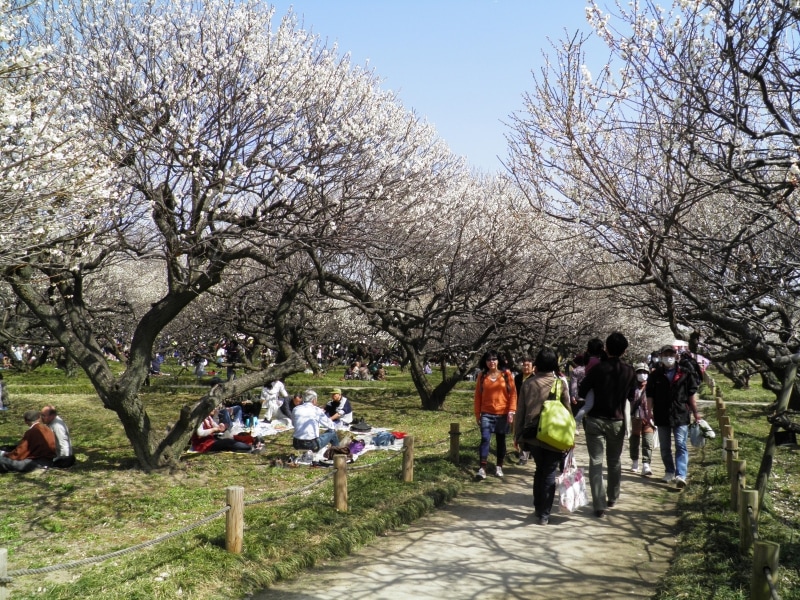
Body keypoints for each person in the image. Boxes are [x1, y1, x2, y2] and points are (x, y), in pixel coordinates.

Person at [578, 332, 637, 517]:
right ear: (625, 351)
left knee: (595, 462)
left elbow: (582, 390)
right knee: (614, 460)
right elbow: (631, 397)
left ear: (606, 348)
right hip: (617, 421)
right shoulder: (629, 371)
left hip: (595, 420)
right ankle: (613, 496)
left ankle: (599, 504)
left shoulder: (598, 369)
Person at [513, 347, 571, 525]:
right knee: (549, 473)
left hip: (532, 436)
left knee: (539, 470)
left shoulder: (528, 384)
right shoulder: (560, 384)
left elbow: (520, 411)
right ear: (554, 363)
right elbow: (568, 412)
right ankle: (545, 513)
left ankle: (538, 507)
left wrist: (517, 436)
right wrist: (571, 439)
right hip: (554, 435)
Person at [646, 345, 702, 488]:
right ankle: (669, 471)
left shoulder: (685, 373)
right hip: (661, 413)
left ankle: (681, 474)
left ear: (676, 355)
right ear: (661, 356)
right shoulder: (655, 375)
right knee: (665, 446)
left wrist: (696, 412)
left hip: (680, 413)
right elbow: (650, 395)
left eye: (671, 354)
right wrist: (648, 411)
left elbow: (691, 394)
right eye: (665, 354)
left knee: (680, 444)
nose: (668, 357)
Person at [474, 350, 517, 479]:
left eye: (494, 359)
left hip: (502, 413)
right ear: (485, 362)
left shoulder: (506, 374)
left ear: (498, 360)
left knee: (500, 440)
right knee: (485, 439)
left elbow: (513, 394)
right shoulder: (482, 376)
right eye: (488, 360)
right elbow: (477, 396)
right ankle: (482, 468)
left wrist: (511, 410)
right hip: (486, 413)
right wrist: (477, 414)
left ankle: (499, 466)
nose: (491, 362)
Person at [190, 407, 259, 453]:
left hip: (211, 441)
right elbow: (200, 433)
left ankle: (251, 444)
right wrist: (214, 429)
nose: (215, 409)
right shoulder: (199, 420)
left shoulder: (208, 418)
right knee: (228, 442)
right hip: (203, 446)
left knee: (231, 439)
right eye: (213, 408)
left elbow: (215, 427)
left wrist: (220, 427)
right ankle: (251, 448)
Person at [629, 363, 654, 476]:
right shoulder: (631, 387)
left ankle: (646, 464)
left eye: (644, 373)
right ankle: (635, 461)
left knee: (648, 442)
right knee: (634, 441)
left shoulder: (652, 387)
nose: (642, 375)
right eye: (639, 372)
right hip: (635, 418)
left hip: (649, 419)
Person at [513, 356, 535, 465]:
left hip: (531, 409)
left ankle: (528, 452)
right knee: (519, 431)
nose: (526, 367)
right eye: (524, 365)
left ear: (533, 367)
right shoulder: (517, 378)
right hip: (519, 407)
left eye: (528, 365)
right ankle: (523, 456)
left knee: (529, 431)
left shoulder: (535, 378)